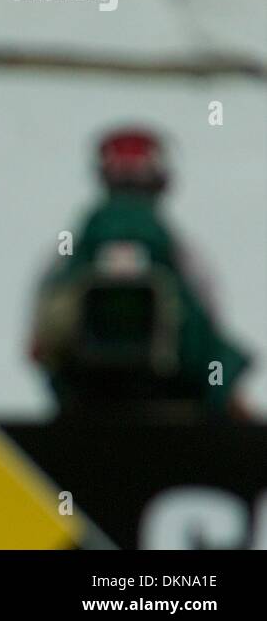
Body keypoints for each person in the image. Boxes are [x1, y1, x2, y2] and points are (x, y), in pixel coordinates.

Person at [32, 126, 252, 419]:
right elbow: (208, 336)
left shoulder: (69, 253)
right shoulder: (180, 253)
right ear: (162, 181)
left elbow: (41, 341)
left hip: (82, 408)